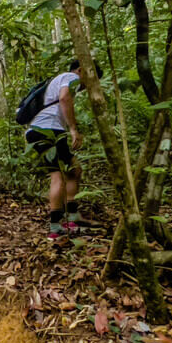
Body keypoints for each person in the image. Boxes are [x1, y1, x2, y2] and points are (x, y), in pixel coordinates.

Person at [26, 59, 100, 239]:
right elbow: (64, 97)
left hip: (38, 130)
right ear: (81, 70)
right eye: (91, 78)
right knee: (59, 175)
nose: (88, 85)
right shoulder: (70, 77)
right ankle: (56, 226)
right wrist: (73, 129)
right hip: (49, 130)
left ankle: (69, 217)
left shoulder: (58, 79)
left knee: (72, 170)